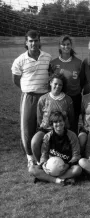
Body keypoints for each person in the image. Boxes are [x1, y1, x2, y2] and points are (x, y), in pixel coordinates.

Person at [11, 30, 52, 167]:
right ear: (26, 42)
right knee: (27, 126)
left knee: (45, 125)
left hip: (45, 97)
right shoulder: (20, 60)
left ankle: (46, 153)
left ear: (40, 41)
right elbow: (16, 79)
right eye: (31, 41)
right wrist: (27, 88)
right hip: (29, 97)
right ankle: (30, 156)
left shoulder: (47, 57)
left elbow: (51, 75)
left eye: (36, 40)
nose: (34, 43)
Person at [29, 111, 82, 185]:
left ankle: (48, 178)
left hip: (65, 167)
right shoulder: (48, 136)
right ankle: (59, 180)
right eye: (55, 122)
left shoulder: (72, 135)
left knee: (77, 169)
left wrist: (67, 165)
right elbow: (44, 154)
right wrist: (43, 164)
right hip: (50, 167)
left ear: (64, 122)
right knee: (32, 169)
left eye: (60, 121)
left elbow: (76, 155)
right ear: (52, 124)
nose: (59, 124)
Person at [31, 73, 74, 163]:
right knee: (34, 142)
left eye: (60, 85)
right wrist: (45, 127)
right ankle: (41, 163)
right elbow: (39, 118)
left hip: (61, 130)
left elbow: (71, 118)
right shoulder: (43, 99)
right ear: (50, 83)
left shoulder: (68, 100)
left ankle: (62, 164)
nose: (58, 86)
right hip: (46, 129)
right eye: (55, 84)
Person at [50, 35, 82, 134]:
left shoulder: (79, 62)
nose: (66, 46)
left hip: (75, 97)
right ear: (59, 46)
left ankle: (73, 145)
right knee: (59, 122)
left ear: (71, 46)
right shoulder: (53, 63)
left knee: (73, 123)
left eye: (68, 44)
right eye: (63, 44)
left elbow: (83, 80)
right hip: (59, 98)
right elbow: (51, 82)